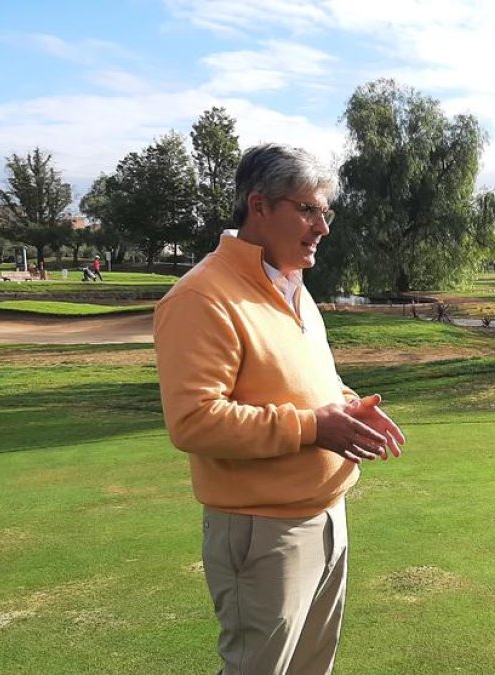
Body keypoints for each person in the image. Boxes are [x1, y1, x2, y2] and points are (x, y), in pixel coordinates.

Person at [154, 143, 407, 675]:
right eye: (309, 210)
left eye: (326, 211)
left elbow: (314, 384)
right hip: (263, 531)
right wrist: (315, 427)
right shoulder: (202, 297)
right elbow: (194, 420)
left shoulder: (293, 286)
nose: (323, 226)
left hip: (327, 517)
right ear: (260, 206)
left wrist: (348, 407)